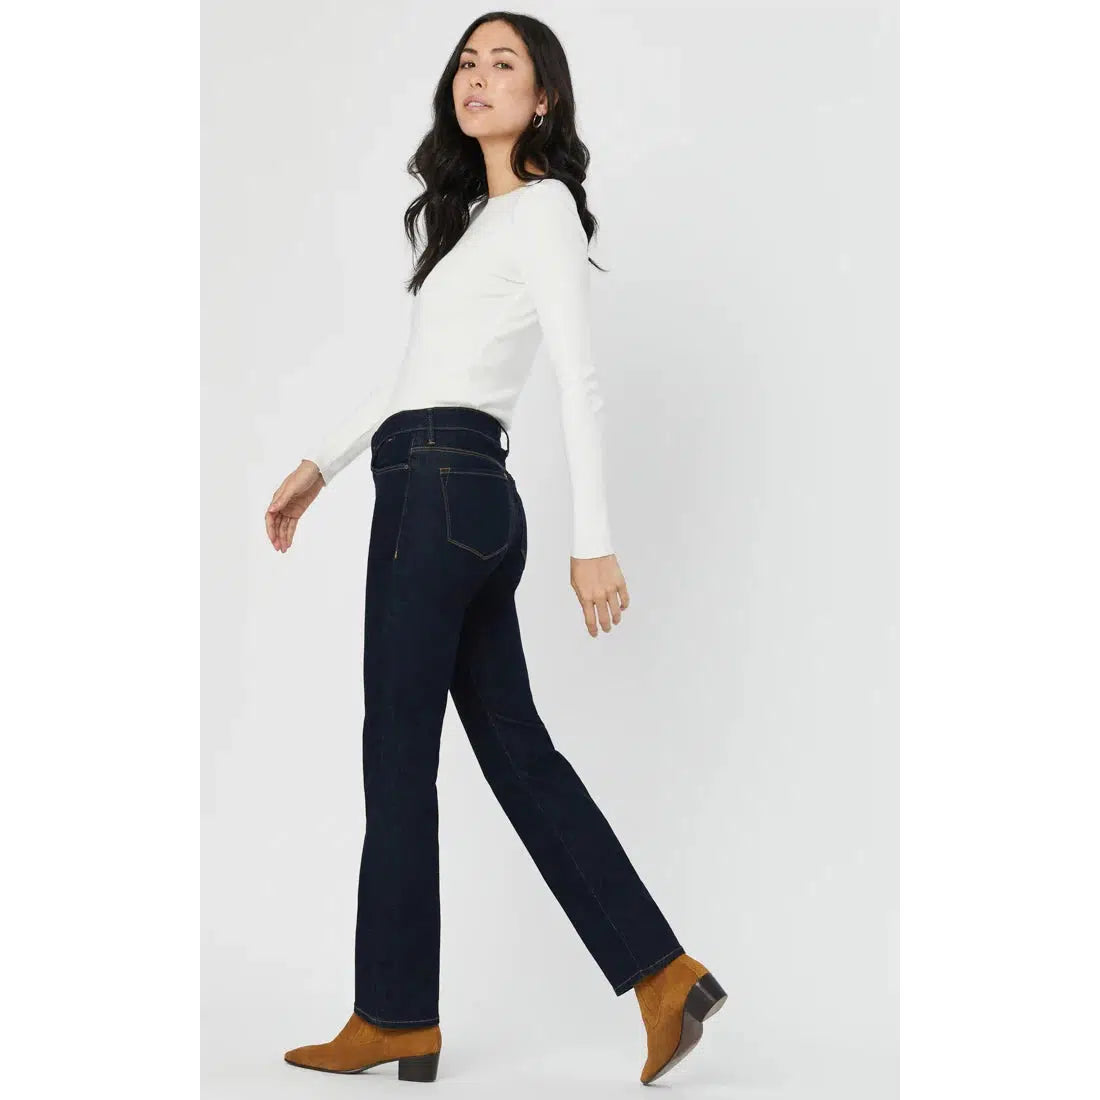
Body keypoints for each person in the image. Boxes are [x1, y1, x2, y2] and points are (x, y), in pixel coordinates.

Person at [264, 13, 726, 1085]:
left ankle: (394, 1014)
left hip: (436, 494)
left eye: (503, 63)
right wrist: (321, 464)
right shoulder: (482, 224)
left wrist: (594, 542)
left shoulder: (543, 210)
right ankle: (663, 975)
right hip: (460, 489)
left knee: (398, 755)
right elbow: (417, 376)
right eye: (466, 62)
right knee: (517, 752)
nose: (477, 76)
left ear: (542, 98)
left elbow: (577, 374)